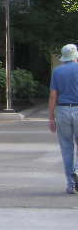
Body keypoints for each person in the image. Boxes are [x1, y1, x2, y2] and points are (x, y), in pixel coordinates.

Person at [48, 43, 78, 194]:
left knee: (67, 148)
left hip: (62, 110)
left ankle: (71, 184)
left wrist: (51, 118)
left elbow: (53, 95)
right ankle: (77, 170)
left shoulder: (57, 71)